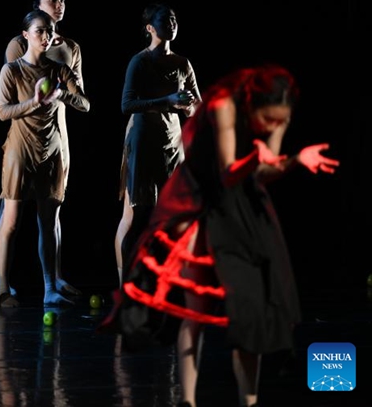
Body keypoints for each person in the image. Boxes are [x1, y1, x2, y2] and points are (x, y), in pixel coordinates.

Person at [99, 64, 339, 407]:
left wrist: (295, 160)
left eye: (278, 123)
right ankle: (189, 400)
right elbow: (228, 173)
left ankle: (249, 400)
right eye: (267, 120)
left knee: (250, 312)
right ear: (255, 105)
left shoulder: (279, 113)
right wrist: (258, 156)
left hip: (242, 205)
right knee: (195, 310)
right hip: (203, 199)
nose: (271, 127)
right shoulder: (225, 105)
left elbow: (261, 174)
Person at [0, 10, 90, 308]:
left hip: (52, 148)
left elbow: (85, 104)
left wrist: (63, 94)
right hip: (20, 147)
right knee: (10, 220)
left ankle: (49, 287)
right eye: (39, 31)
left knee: (48, 220)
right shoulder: (11, 70)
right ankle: (2, 287)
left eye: (49, 31)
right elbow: (2, 112)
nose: (45, 36)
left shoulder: (59, 68)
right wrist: (33, 102)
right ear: (25, 35)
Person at [114, 2, 201, 285]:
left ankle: (163, 283)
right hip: (143, 141)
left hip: (171, 143)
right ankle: (127, 287)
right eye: (165, 19)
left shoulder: (182, 63)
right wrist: (168, 101)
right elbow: (127, 104)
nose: (172, 23)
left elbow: (197, 107)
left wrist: (187, 106)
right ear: (150, 28)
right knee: (139, 215)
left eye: (175, 18)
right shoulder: (140, 61)